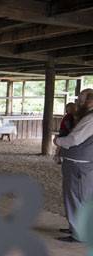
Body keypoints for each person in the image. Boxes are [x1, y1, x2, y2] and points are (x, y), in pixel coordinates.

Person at [54, 89, 93, 242]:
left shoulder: (90, 118)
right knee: (78, 196)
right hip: (81, 162)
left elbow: (74, 139)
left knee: (76, 196)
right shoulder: (86, 117)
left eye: (81, 100)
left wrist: (58, 141)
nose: (79, 103)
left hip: (79, 163)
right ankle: (75, 227)